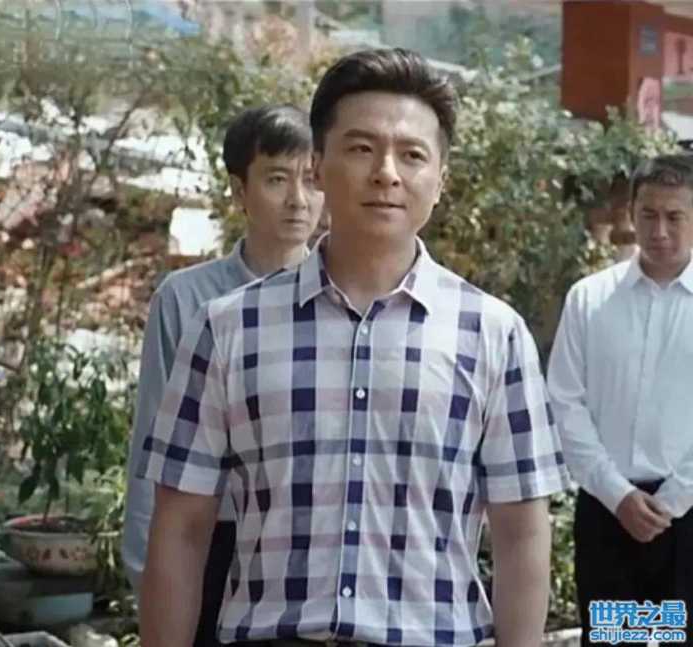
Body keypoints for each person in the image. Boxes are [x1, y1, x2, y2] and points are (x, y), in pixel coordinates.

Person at [139, 48, 569, 647]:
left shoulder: (493, 335)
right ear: (318, 166)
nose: (386, 173)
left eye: (412, 155)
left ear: (440, 181)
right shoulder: (229, 328)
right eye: (362, 148)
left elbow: (521, 535)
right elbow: (181, 530)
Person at [123, 104, 323, 647]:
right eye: (277, 179)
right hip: (207, 539)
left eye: (311, 180)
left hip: (305, 547)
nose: (298, 200)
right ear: (239, 190)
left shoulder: (342, 301)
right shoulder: (186, 299)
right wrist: (144, 571)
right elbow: (153, 443)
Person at [548, 153, 693, 646]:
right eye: (648, 214)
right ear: (632, 213)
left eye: (675, 216)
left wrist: (672, 501)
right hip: (608, 514)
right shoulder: (589, 299)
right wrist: (618, 495)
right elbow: (564, 403)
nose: (660, 231)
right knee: (617, 640)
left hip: (687, 517)